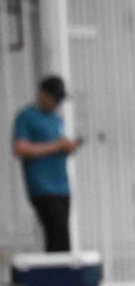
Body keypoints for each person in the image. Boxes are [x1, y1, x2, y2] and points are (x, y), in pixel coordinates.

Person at [12, 75, 82, 253]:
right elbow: (21, 148)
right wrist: (56, 146)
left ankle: (59, 268)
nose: (57, 103)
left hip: (62, 185)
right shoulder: (26, 116)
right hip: (42, 186)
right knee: (58, 233)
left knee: (61, 237)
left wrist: (67, 147)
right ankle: (59, 269)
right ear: (43, 94)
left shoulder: (57, 119)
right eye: (54, 98)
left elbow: (56, 146)